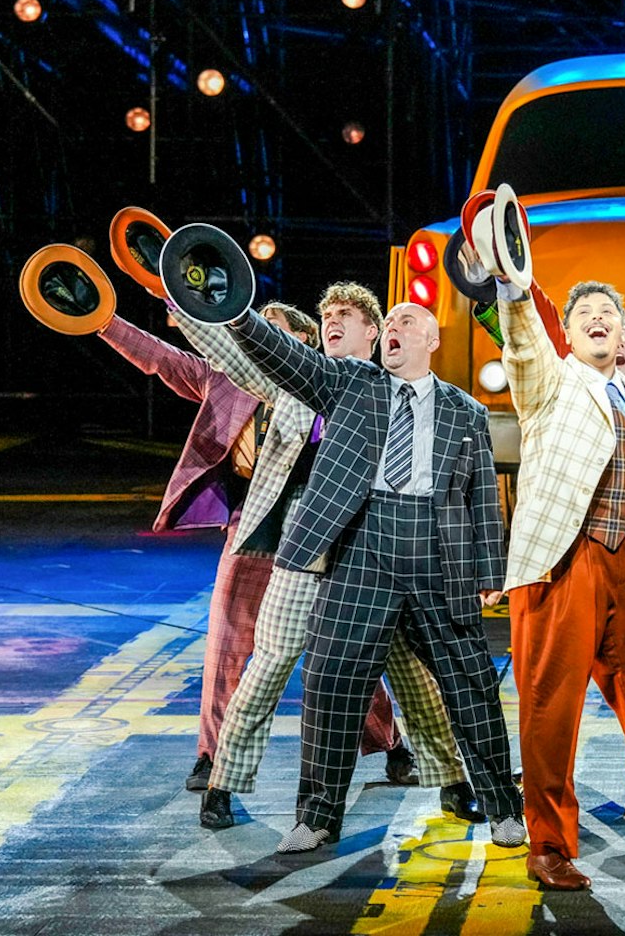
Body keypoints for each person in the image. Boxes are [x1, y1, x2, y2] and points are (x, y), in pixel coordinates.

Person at [225, 296, 524, 854]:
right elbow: (287, 357)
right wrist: (240, 316)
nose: (392, 329)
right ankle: (316, 818)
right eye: (387, 323)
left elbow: (484, 498)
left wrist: (489, 570)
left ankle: (505, 809)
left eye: (406, 322)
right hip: (363, 544)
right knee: (332, 683)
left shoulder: (466, 411)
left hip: (438, 553)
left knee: (472, 685)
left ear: (431, 340)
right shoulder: (351, 385)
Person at [175, 286, 474, 831]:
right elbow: (233, 354)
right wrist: (195, 307)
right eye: (326, 315)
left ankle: (452, 781)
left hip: (374, 559)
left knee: (410, 675)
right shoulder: (297, 380)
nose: (332, 321)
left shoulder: (394, 391)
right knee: (267, 668)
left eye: (346, 316)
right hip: (303, 553)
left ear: (374, 332)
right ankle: (220, 784)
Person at [500, 269, 625, 892]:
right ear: (566, 330)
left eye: (609, 313)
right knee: (549, 707)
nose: (598, 318)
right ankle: (550, 844)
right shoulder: (549, 380)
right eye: (585, 311)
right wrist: (514, 289)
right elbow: (522, 344)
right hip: (567, 559)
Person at [94, 307, 289, 791]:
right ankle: (211, 755)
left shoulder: (324, 382)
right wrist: (102, 319)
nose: (259, 338)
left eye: (275, 331)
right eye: (256, 330)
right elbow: (160, 358)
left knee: (339, 649)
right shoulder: (225, 379)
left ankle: (389, 742)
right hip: (251, 519)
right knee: (225, 643)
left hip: (311, 521)